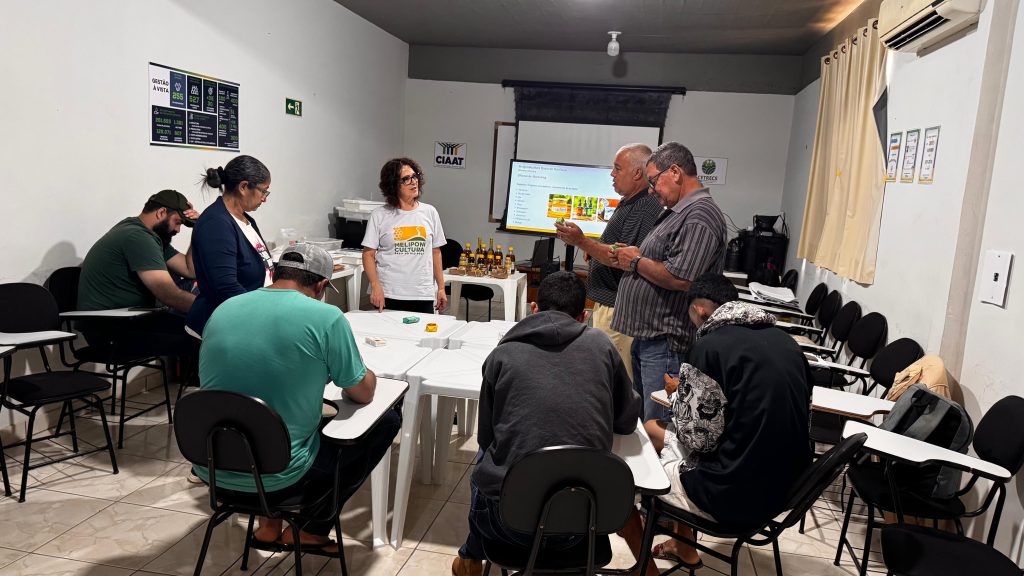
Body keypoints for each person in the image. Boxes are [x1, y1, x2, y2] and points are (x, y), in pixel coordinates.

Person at [195, 243, 401, 551]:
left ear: (276, 274)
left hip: (212, 468)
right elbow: (362, 393)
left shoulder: (224, 309)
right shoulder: (326, 317)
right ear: (321, 285)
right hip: (281, 477)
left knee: (271, 419)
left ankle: (268, 526)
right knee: (387, 421)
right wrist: (362, 369)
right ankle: (310, 531)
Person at [619, 273, 811, 573]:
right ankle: (685, 548)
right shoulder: (787, 343)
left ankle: (647, 562)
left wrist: (681, 396)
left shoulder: (710, 347)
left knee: (635, 461)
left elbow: (697, 440)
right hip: (786, 490)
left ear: (699, 310)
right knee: (657, 430)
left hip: (732, 495)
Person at [452, 271, 640, 576]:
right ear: (583, 316)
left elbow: (486, 435)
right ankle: (471, 557)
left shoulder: (502, 355)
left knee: (485, 456)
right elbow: (627, 420)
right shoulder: (602, 346)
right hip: (586, 527)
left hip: (508, 525)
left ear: (534, 309)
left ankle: (471, 557)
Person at [607, 141, 727, 425]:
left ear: (674, 172)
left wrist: (636, 261)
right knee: (645, 422)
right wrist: (636, 255)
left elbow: (682, 278)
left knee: (658, 426)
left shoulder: (699, 215)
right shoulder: (681, 211)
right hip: (652, 340)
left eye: (653, 181)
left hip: (667, 343)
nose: (651, 190)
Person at [555, 143, 662, 381]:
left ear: (637, 173)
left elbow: (624, 258)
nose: (612, 174)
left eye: (617, 168)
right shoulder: (630, 202)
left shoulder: (645, 206)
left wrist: (583, 242)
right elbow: (617, 246)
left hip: (618, 310)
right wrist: (594, 249)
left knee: (614, 379)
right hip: (611, 305)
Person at [77, 189, 200, 356]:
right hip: (110, 330)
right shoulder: (137, 237)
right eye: (177, 222)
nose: (178, 230)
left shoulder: (145, 234)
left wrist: (198, 229)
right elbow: (169, 295)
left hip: (130, 322)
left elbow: (189, 269)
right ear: (161, 212)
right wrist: (214, 310)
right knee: (202, 337)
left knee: (199, 329)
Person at [186, 155, 273, 336]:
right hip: (225, 325)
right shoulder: (216, 223)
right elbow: (225, 287)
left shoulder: (246, 220)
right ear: (243, 187)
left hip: (247, 316)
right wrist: (264, 316)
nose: (265, 199)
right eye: (264, 191)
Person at [361, 157, 448, 314]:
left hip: (422, 293)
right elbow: (368, 254)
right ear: (393, 185)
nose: (413, 182)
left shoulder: (430, 212)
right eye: (406, 179)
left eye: (415, 176)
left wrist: (441, 288)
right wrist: (375, 285)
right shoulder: (379, 215)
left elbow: (436, 253)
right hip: (388, 293)